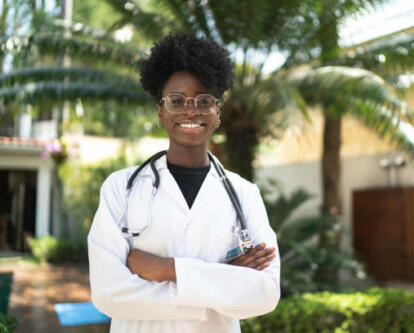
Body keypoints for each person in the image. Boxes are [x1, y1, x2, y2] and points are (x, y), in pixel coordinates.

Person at [87, 33, 280, 333]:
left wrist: (167, 269)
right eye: (177, 101)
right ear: (161, 112)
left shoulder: (244, 194)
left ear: (217, 113)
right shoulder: (120, 188)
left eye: (204, 100)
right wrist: (222, 281)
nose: (191, 110)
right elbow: (108, 294)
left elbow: (265, 292)